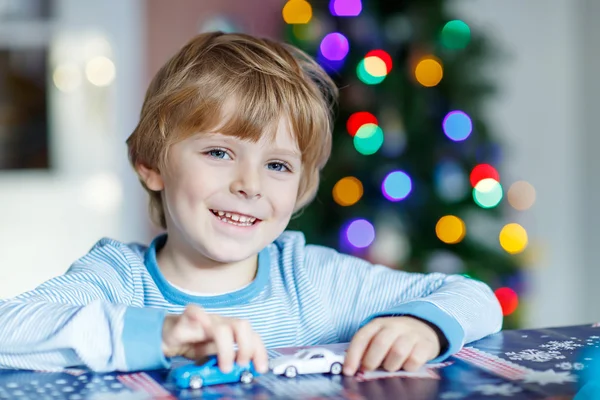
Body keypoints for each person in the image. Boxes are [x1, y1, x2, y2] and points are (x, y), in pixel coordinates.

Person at [0, 31, 502, 376]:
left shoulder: (311, 279)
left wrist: (422, 325)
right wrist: (161, 333)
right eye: (219, 152)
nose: (250, 184)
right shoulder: (118, 279)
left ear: (301, 188)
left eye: (278, 165)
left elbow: (474, 297)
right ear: (151, 164)